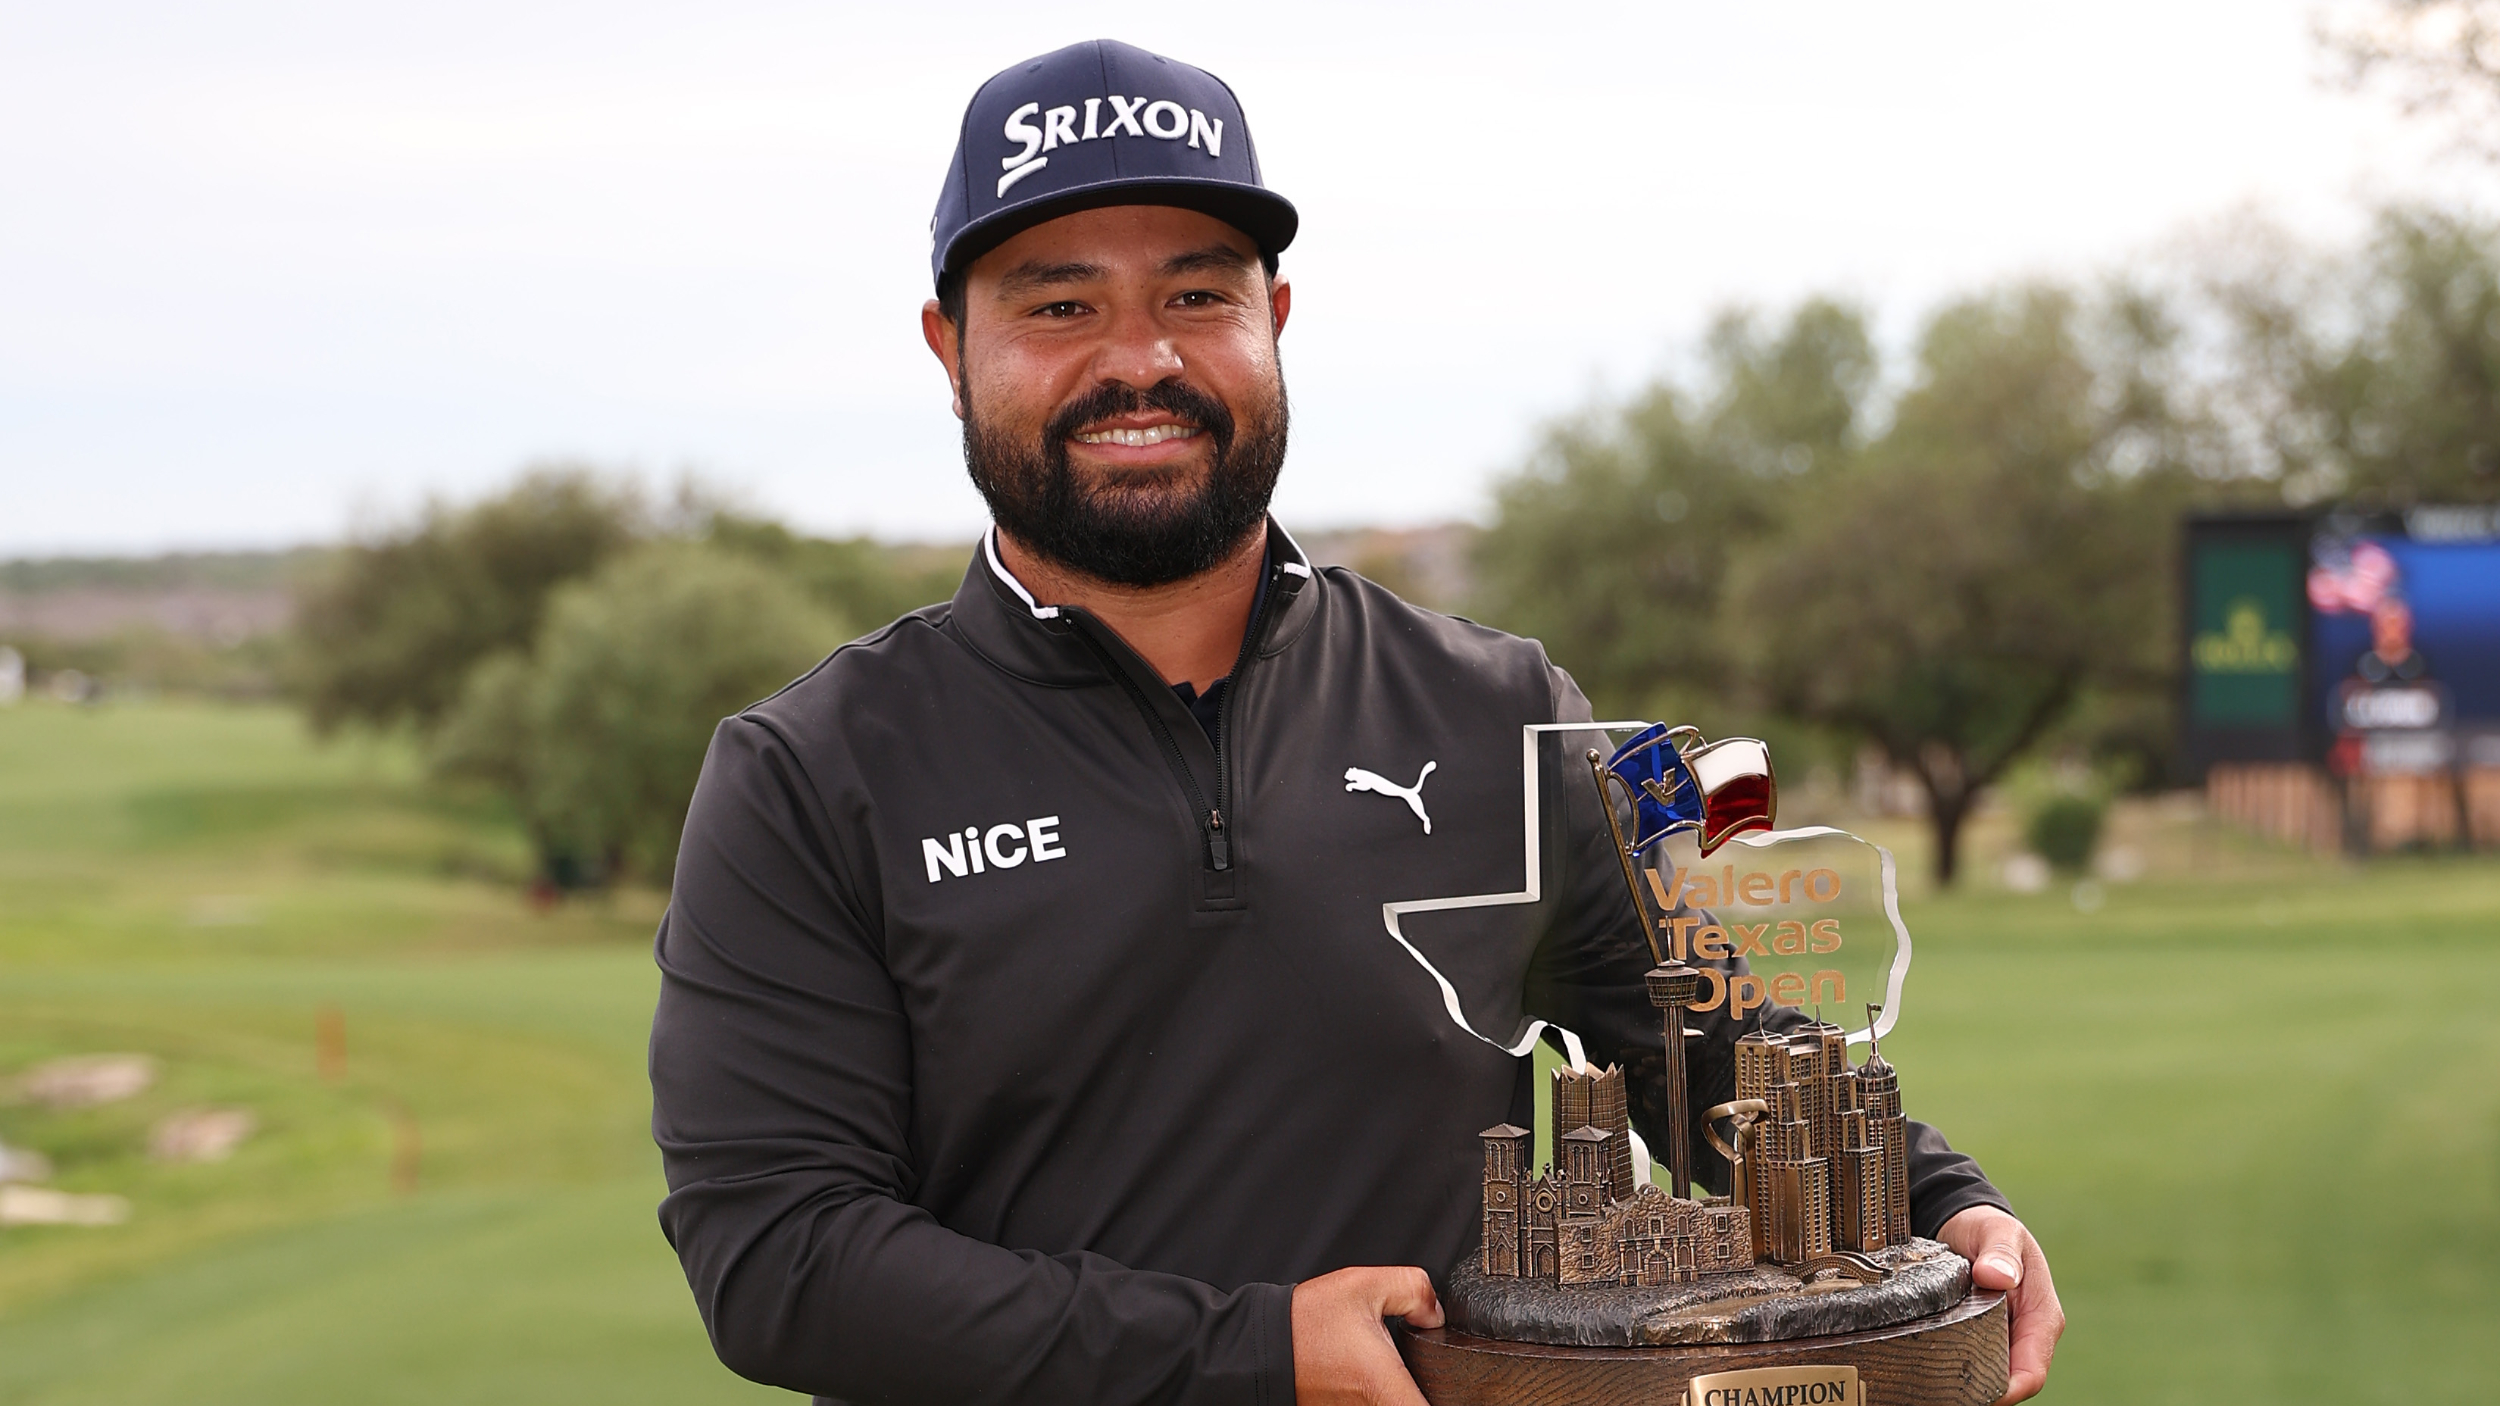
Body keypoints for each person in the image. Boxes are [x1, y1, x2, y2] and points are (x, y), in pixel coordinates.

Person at [649, 39, 2063, 1406]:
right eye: (1059, 305)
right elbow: (779, 1258)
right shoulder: (809, 771)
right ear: (949, 346)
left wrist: (1945, 1202)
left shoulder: (1501, 704)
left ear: (1277, 318)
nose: (1139, 359)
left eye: (1198, 295)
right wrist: (1252, 1352)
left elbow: (1704, 1039)